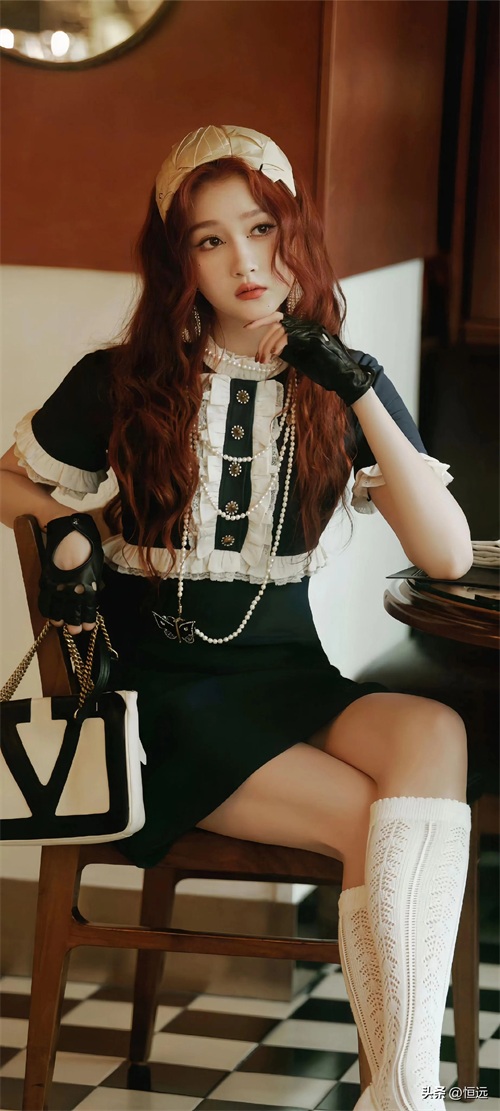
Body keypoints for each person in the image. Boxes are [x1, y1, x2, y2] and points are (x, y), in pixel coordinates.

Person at [0, 125, 473, 1111]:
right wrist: (75, 531)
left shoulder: (335, 382)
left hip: (285, 673)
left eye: (261, 228)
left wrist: (351, 379)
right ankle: (406, 1093)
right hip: (159, 693)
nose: (244, 261)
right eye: (209, 240)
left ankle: (399, 1092)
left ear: (294, 233)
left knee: (433, 731)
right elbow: (12, 484)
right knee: (374, 821)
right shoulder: (123, 378)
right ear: (180, 261)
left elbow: (447, 556)